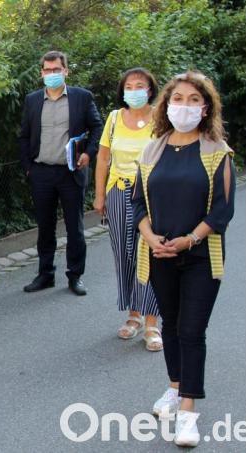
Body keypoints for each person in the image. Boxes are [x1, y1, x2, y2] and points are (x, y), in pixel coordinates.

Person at [131, 71, 235, 447]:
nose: (185, 106)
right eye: (178, 98)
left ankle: (189, 411)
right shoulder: (151, 149)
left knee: (192, 332)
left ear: (206, 107)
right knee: (171, 326)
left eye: (194, 100)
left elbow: (222, 212)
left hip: (201, 257)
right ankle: (175, 387)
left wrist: (188, 240)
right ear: (167, 104)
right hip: (158, 253)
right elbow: (137, 201)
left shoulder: (216, 152)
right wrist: (150, 236)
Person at [19, 50, 103, 296]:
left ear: (66, 71)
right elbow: (24, 135)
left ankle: (75, 276)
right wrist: (28, 168)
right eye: (47, 70)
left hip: (71, 173)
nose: (52, 74)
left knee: (74, 227)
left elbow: (97, 127)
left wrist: (88, 153)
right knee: (45, 227)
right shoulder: (32, 100)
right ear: (41, 73)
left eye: (57, 70)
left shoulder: (82, 97)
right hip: (41, 173)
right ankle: (45, 275)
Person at [93, 68, 162, 351]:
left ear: (150, 89)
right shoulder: (113, 119)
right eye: (129, 86)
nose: (134, 90)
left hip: (152, 196)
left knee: (151, 256)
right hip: (118, 192)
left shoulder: (162, 117)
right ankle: (132, 314)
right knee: (124, 255)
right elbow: (103, 159)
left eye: (140, 85)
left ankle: (151, 323)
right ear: (123, 91)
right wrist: (100, 196)